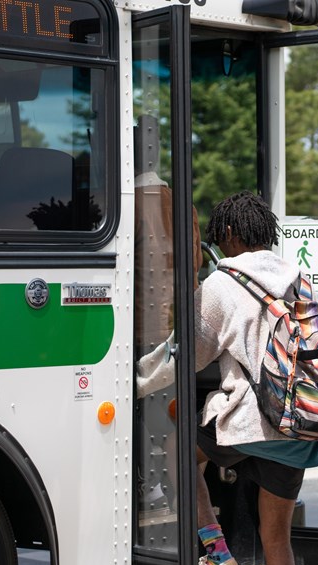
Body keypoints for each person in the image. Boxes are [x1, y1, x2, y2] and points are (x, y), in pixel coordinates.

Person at [193, 190, 318, 565]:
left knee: (181, 459)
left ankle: (216, 554)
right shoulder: (298, 280)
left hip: (245, 423)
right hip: (297, 427)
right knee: (277, 539)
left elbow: (190, 356)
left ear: (228, 234)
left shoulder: (219, 285)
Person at [134, 114, 202, 516]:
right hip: (177, 330)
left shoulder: (120, 206)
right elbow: (192, 266)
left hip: (138, 329)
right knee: (169, 415)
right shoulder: (182, 205)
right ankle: (173, 490)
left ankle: (148, 484)